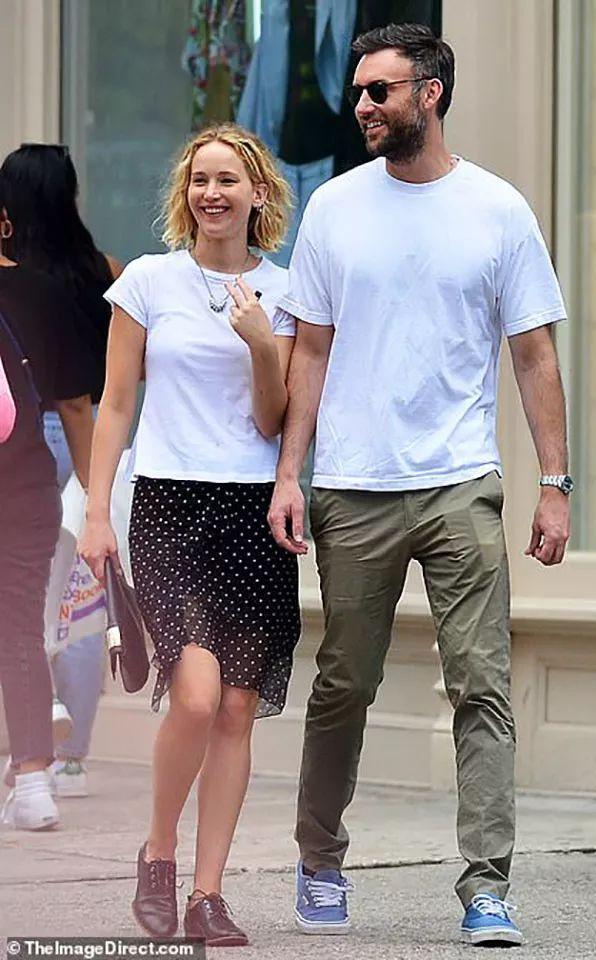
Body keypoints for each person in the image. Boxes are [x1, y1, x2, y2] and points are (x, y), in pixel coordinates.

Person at [268, 23, 571, 947]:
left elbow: (533, 354)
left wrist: (555, 482)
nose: (361, 105)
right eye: (359, 90)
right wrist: (290, 474)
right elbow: (309, 351)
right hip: (352, 484)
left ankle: (488, 888)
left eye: (379, 91)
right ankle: (321, 861)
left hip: (459, 483)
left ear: (429, 93)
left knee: (482, 687)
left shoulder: (498, 210)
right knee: (344, 684)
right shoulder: (335, 208)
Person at [79, 123, 300, 946]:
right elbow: (115, 405)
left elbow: (274, 420)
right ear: (187, 193)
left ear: (258, 195)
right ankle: (159, 851)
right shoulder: (148, 281)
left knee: (236, 708)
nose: (212, 193)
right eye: (200, 180)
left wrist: (262, 347)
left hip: (253, 512)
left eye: (228, 181)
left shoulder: (285, 292)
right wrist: (97, 512)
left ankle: (208, 895)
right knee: (196, 696)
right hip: (168, 505)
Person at [0, 143, 123, 799]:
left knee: (23, 602)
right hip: (85, 433)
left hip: (24, 438)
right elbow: (113, 379)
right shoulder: (102, 271)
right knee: (78, 595)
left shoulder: (16, 280)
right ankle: (70, 757)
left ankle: (32, 741)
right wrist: (99, 487)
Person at [0, 202, 94, 831]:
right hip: (27, 483)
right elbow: (77, 405)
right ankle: (34, 779)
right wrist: (94, 497)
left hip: (23, 487)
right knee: (20, 625)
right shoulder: (43, 293)